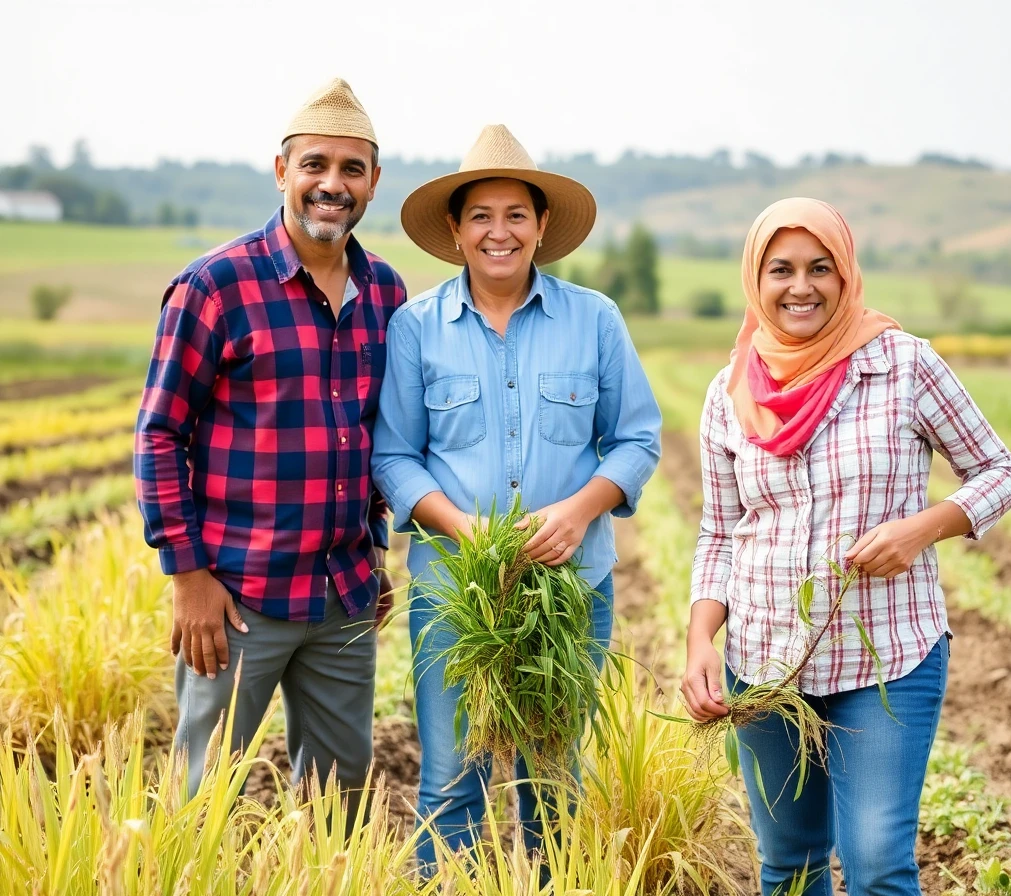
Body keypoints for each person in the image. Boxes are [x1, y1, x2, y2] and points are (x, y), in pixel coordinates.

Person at [681, 198, 1011, 896]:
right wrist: (698, 645)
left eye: (820, 268)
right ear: (756, 279)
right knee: (788, 863)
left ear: (847, 276)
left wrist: (922, 528)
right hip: (766, 662)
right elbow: (719, 530)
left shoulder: (903, 365)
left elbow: (1002, 473)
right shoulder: (729, 392)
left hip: (888, 657)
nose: (800, 286)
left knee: (875, 864)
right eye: (781, 269)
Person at [371, 124, 662, 872]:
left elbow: (636, 439)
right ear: (455, 230)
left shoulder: (594, 319)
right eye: (481, 217)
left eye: (516, 217)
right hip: (452, 592)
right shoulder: (416, 328)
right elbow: (395, 455)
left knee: (556, 784)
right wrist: (461, 527)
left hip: (570, 591)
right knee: (450, 782)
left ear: (540, 230)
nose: (499, 233)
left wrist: (578, 510)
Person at [134, 78, 405, 825]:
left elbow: (374, 438)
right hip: (238, 595)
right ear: (281, 170)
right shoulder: (215, 286)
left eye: (352, 169)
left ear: (375, 182)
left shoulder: (386, 291)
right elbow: (159, 434)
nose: (333, 184)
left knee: (339, 802)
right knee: (202, 793)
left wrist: (374, 553)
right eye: (315, 164)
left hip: (344, 595)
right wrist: (187, 577)